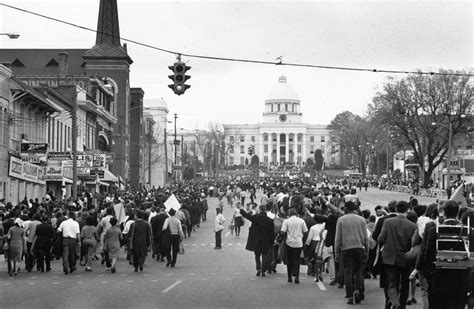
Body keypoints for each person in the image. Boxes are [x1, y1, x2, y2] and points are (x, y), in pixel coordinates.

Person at [378, 201, 417, 309]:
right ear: (408, 210)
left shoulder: (388, 222)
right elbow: (413, 243)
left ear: (396, 209)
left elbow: (381, 238)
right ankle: (401, 305)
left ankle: (394, 302)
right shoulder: (412, 225)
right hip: (405, 258)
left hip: (389, 257)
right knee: (404, 285)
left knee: (391, 283)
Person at [335, 201, 369, 305]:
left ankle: (349, 296)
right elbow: (365, 238)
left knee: (348, 272)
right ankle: (357, 290)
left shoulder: (341, 220)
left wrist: (337, 252)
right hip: (359, 248)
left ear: (346, 208)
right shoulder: (361, 219)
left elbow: (338, 238)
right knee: (358, 271)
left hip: (346, 249)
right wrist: (366, 250)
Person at [240, 204, 274, 276]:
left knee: (257, 255)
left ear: (260, 210)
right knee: (264, 255)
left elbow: (247, 216)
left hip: (256, 239)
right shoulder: (270, 220)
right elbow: (272, 232)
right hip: (265, 240)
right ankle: (263, 270)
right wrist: (272, 241)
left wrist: (241, 210)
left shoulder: (255, 217)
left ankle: (258, 268)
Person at [281, 208, 308, 284]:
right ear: (297, 214)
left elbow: (283, 232)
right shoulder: (301, 221)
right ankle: (297, 277)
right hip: (298, 243)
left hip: (289, 243)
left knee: (289, 260)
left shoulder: (286, 221)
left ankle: (289, 277)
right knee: (297, 260)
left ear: (289, 214)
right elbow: (305, 231)